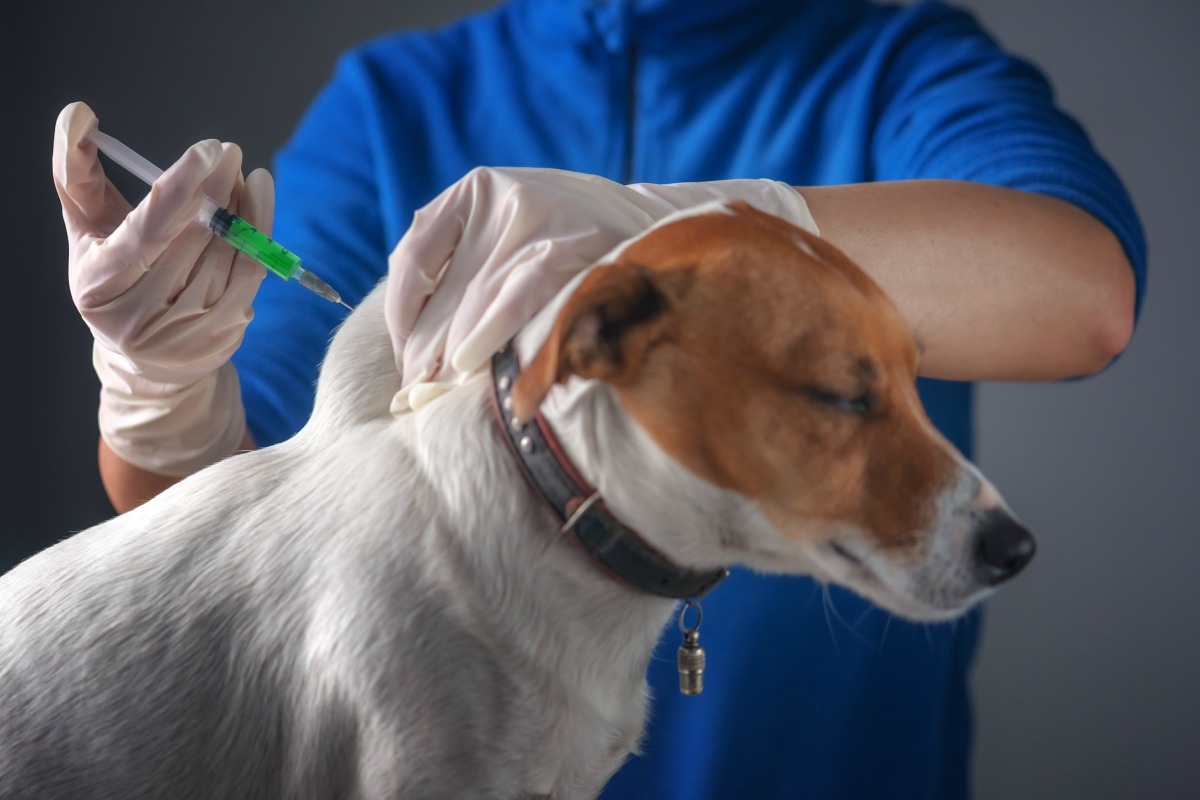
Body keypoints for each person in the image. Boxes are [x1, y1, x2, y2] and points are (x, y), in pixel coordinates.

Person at [53, 0, 1145, 797]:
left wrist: (672, 234)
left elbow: (1083, 293)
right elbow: (227, 526)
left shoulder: (898, 63)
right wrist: (161, 382)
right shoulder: (393, 105)